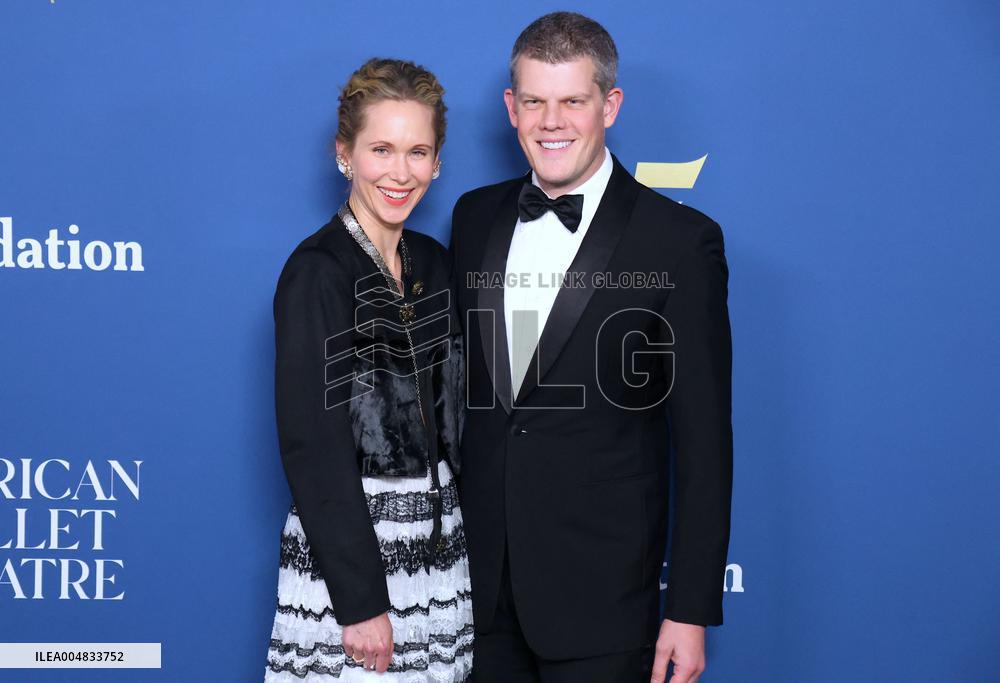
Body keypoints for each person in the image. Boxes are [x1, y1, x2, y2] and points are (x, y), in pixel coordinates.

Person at [449, 12, 733, 683]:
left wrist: (689, 609)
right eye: (536, 102)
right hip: (479, 595)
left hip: (604, 600)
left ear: (610, 105)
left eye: (573, 101)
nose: (553, 122)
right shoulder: (472, 216)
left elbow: (704, 443)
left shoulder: (679, 242)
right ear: (510, 108)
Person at [265, 58, 473, 681]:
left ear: (436, 162)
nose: (399, 172)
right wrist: (360, 604)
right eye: (381, 148)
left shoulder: (435, 264)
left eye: (418, 151)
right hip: (353, 569)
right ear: (344, 154)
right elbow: (313, 446)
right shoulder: (318, 272)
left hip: (441, 559)